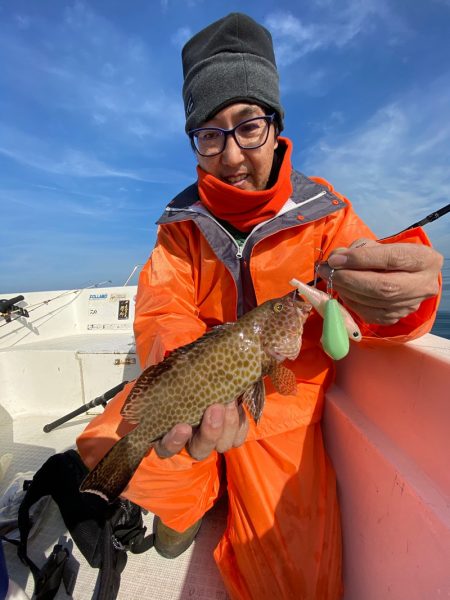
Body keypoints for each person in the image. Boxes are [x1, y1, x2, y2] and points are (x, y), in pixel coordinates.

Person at [76, 12, 442, 600]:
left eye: (248, 126)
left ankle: (209, 489)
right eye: (210, 134)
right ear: (195, 140)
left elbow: (365, 295)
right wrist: (182, 367)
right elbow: (162, 305)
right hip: (194, 393)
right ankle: (187, 502)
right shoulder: (181, 230)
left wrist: (401, 295)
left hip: (284, 418)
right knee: (111, 442)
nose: (232, 155)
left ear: (274, 125)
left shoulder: (329, 215)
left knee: (296, 579)